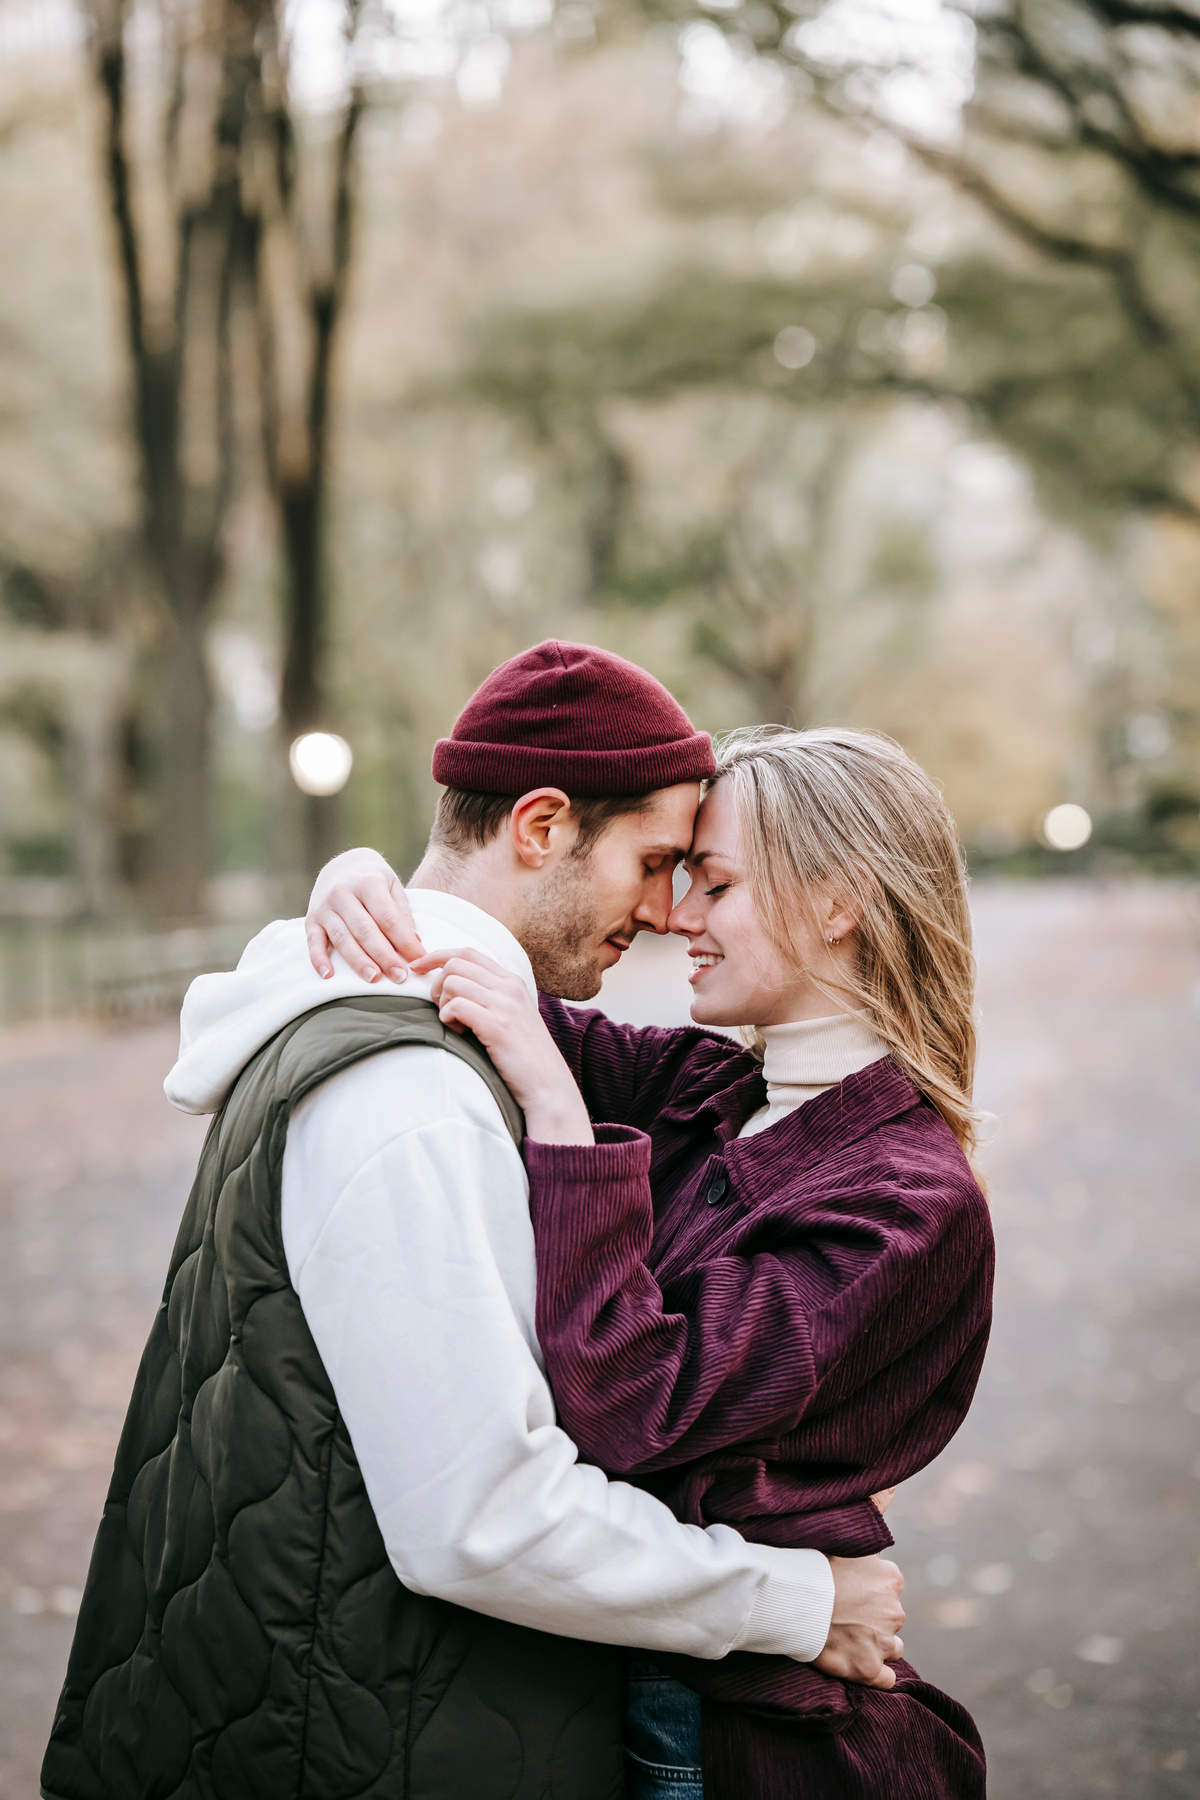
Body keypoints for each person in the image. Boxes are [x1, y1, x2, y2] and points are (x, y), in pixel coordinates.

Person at [41, 644, 905, 1800]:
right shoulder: (416, 1097)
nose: (663, 914)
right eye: (654, 863)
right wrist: (801, 1603)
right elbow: (484, 1517)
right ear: (541, 828)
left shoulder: (382, 1021)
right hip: (368, 1741)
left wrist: (378, 890)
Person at [306, 721, 994, 1799]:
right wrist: (364, 884)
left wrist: (557, 1118)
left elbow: (636, 1408)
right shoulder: (714, 1087)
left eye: (713, 885)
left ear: (838, 903)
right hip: (609, 1672)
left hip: (719, 1733)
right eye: (677, 879)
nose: (677, 917)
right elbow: (464, 966)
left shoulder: (907, 1203)